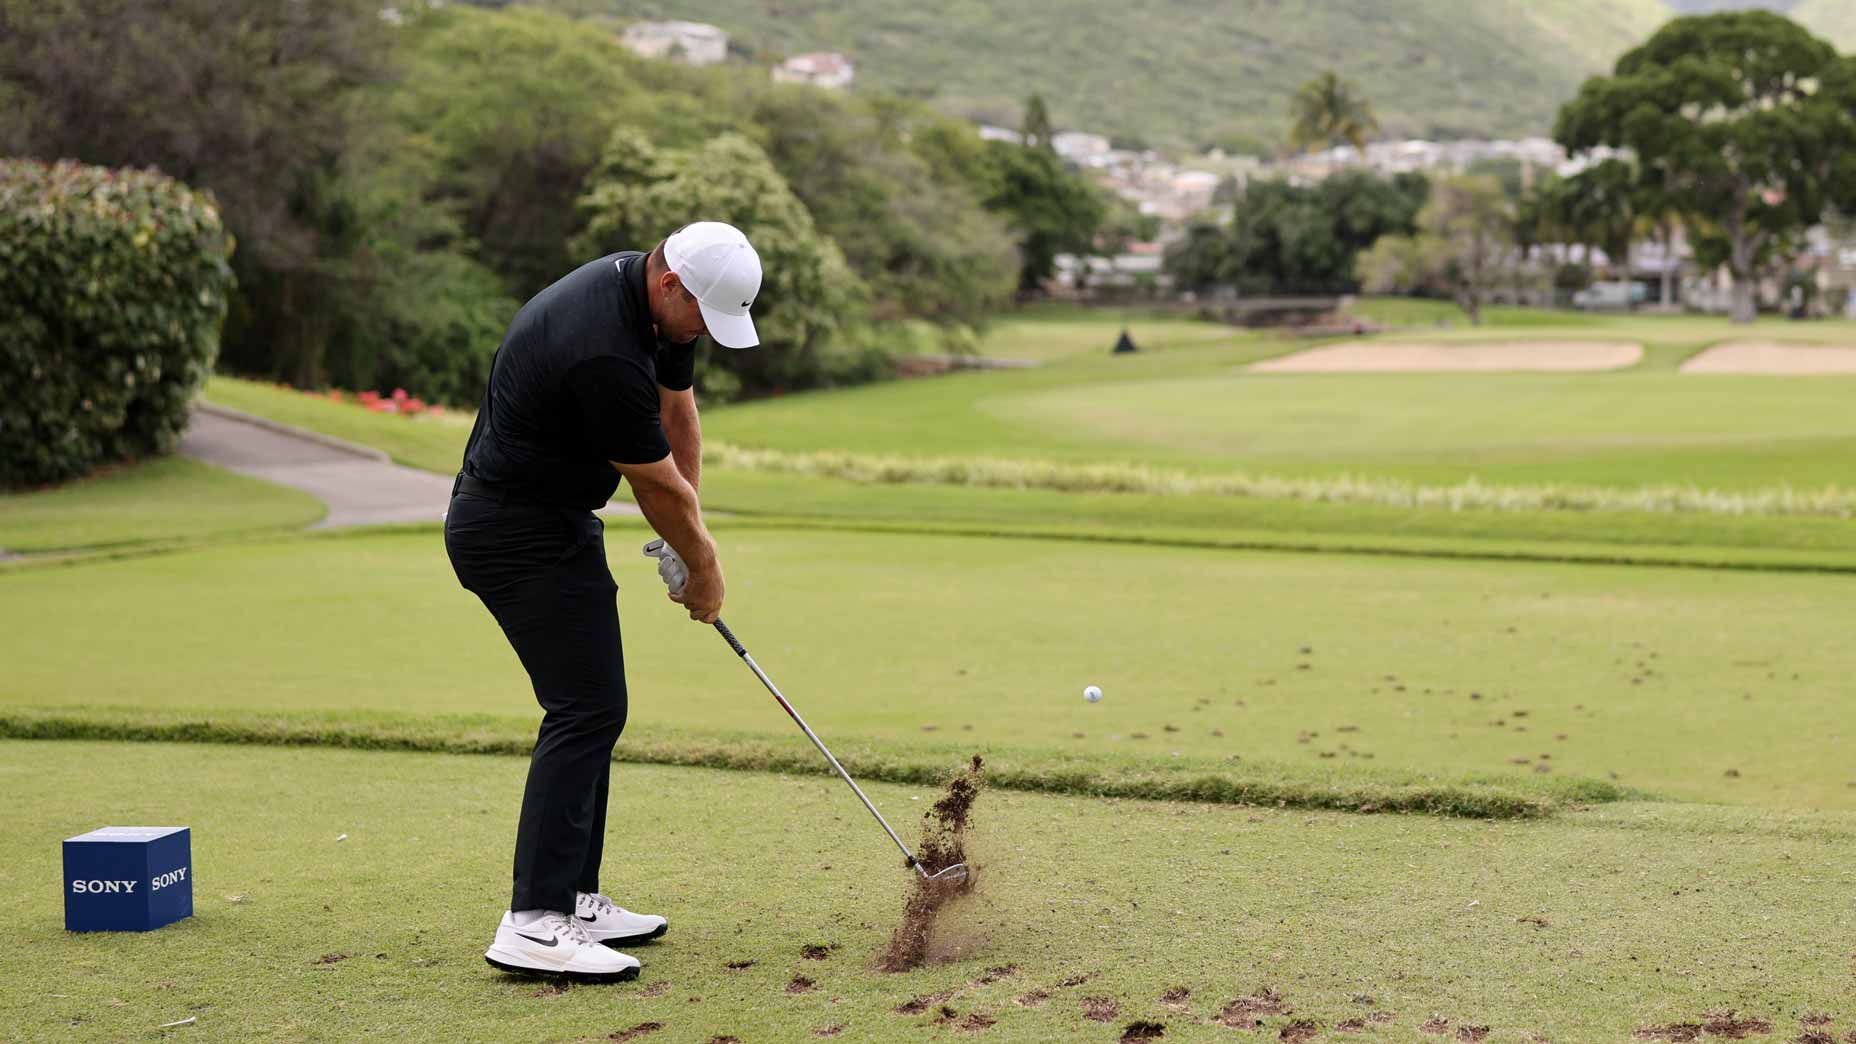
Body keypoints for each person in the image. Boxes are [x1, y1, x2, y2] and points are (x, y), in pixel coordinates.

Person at [443, 221, 761, 982]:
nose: (701, 334)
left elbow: (677, 412)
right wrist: (702, 565)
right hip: (510, 531)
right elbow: (651, 480)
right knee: (585, 707)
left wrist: (693, 536)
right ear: (670, 284)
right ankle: (534, 923)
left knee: (596, 704)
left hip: (556, 520)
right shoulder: (602, 347)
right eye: (702, 317)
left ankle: (574, 899)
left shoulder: (657, 301)